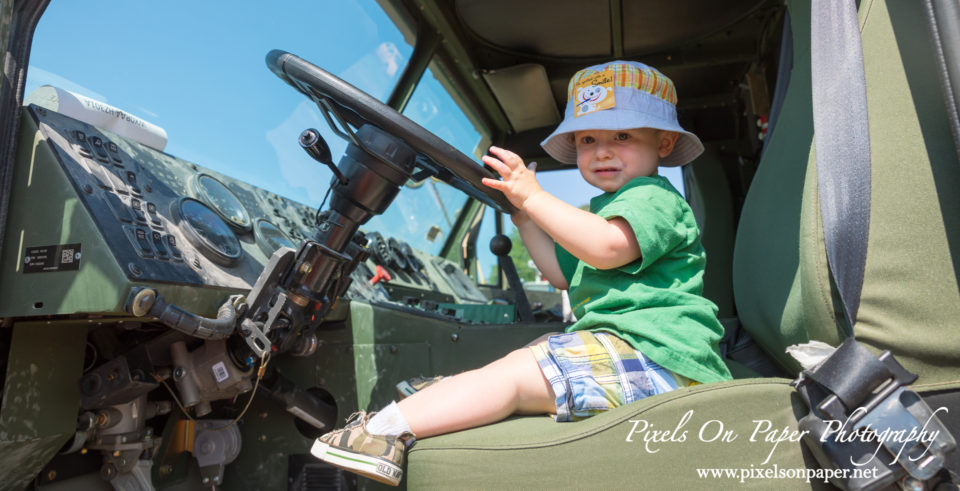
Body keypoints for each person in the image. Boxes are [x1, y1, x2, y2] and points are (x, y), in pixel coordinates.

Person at [310, 60, 731, 485]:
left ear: (663, 143)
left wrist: (533, 197)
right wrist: (526, 218)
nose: (602, 150)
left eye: (622, 136)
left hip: (660, 360)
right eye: (588, 139)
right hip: (635, 348)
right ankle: (454, 397)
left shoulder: (652, 198)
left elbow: (604, 248)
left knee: (515, 373)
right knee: (540, 345)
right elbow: (563, 274)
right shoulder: (604, 213)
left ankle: (378, 432)